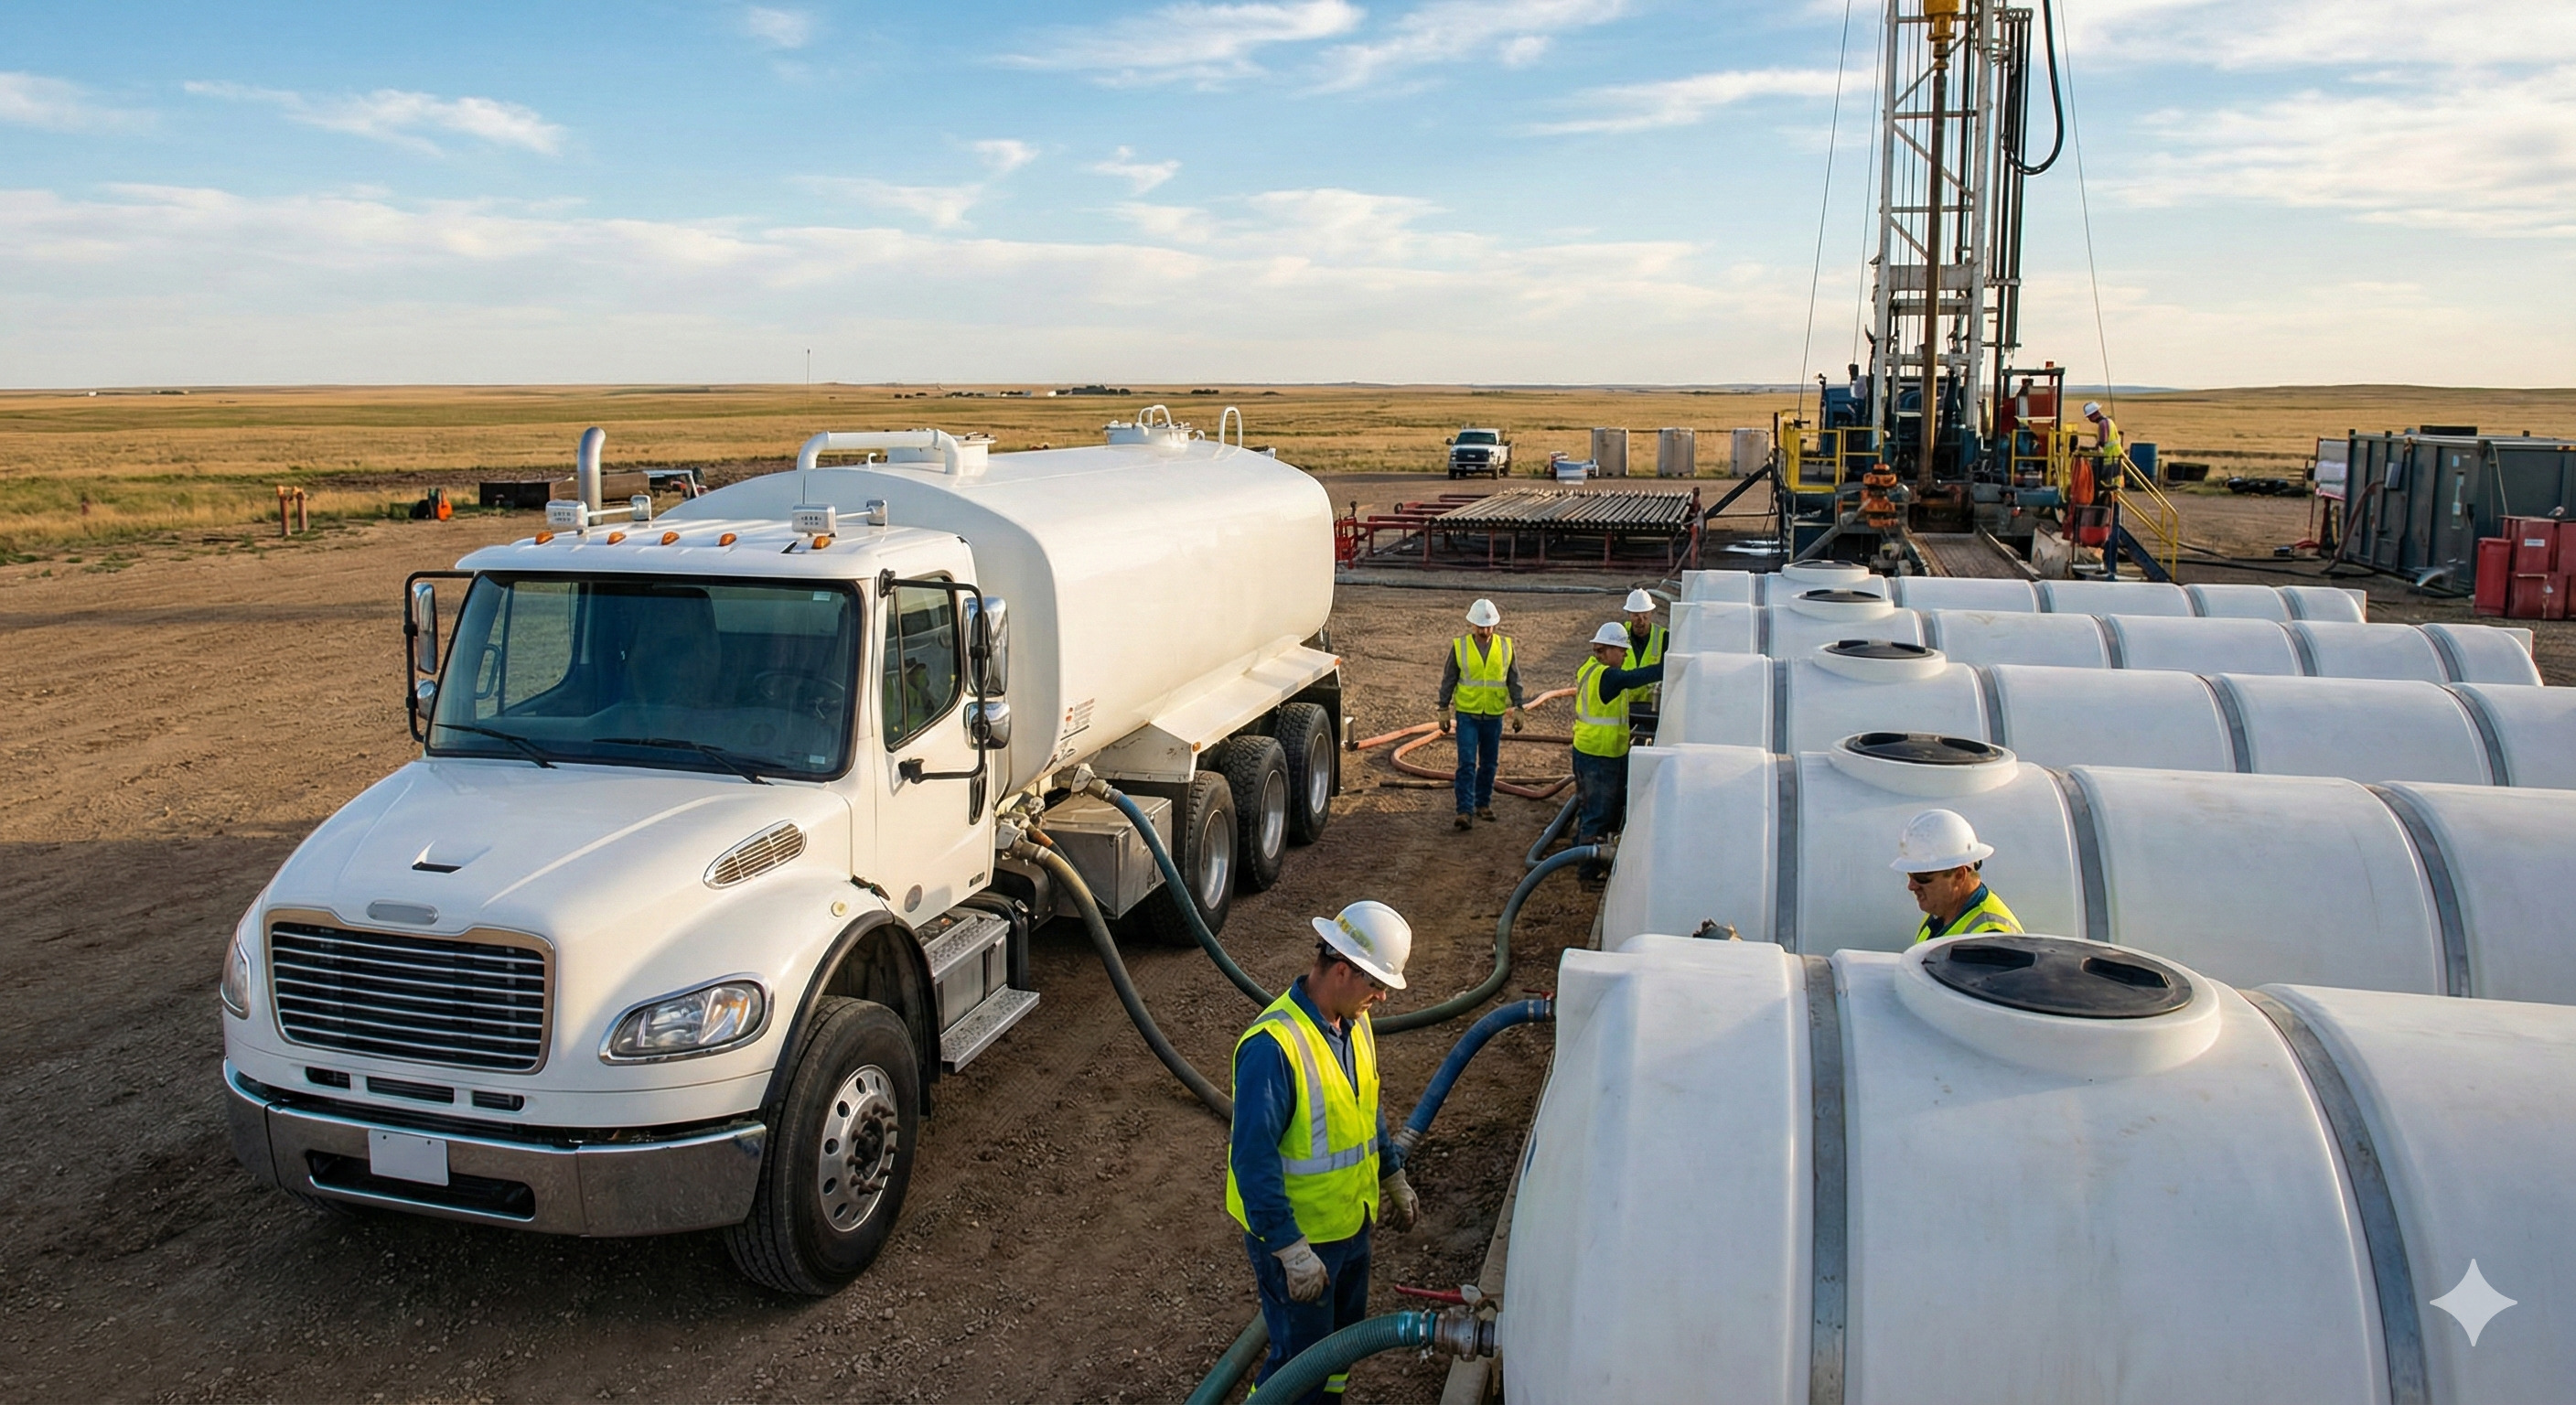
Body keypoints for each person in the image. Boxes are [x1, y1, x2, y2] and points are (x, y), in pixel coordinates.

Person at [1227, 901, 1421, 1405]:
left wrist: (1391, 1175)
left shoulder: (1354, 1023)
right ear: (1341, 970)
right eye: (1377, 983)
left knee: (1334, 1361)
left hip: (1351, 1226)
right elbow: (1253, 1161)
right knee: (1299, 1368)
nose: (1381, 996)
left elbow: (1365, 1105)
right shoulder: (1273, 1047)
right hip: (1302, 1241)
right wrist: (1290, 1250)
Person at [1569, 622, 1664, 881]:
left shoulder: (1590, 668)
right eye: (1622, 651)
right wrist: (1670, 664)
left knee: (1588, 807)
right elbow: (1637, 678)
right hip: (1600, 755)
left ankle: (1578, 855)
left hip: (1588, 751)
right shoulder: (1608, 676)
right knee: (1598, 814)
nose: (1624, 657)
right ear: (1608, 650)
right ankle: (1587, 871)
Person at [1437, 598, 1525, 831]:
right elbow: (1449, 678)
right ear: (1472, 625)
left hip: (1494, 715)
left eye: (1488, 627)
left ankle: (1483, 803)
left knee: (1489, 764)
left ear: (1494, 626)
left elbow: (1513, 679)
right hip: (1467, 714)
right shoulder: (1460, 646)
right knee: (1466, 763)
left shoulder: (1505, 646)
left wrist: (1519, 707)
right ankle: (1464, 811)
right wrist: (1443, 708)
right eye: (1480, 626)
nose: (1484, 631)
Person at [1893, 809, 2023, 943]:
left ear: (1959, 876)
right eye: (1910, 874)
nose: (1911, 886)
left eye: (1922, 877)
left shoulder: (1990, 937)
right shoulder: (1940, 913)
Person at [2083, 401, 2127, 486]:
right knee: (2113, 486)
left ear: (2093, 415)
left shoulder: (2103, 424)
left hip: (2109, 461)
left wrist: (2090, 449)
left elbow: (2103, 442)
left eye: (2089, 417)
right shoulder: (2109, 421)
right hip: (2115, 459)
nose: (2089, 420)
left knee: (2105, 485)